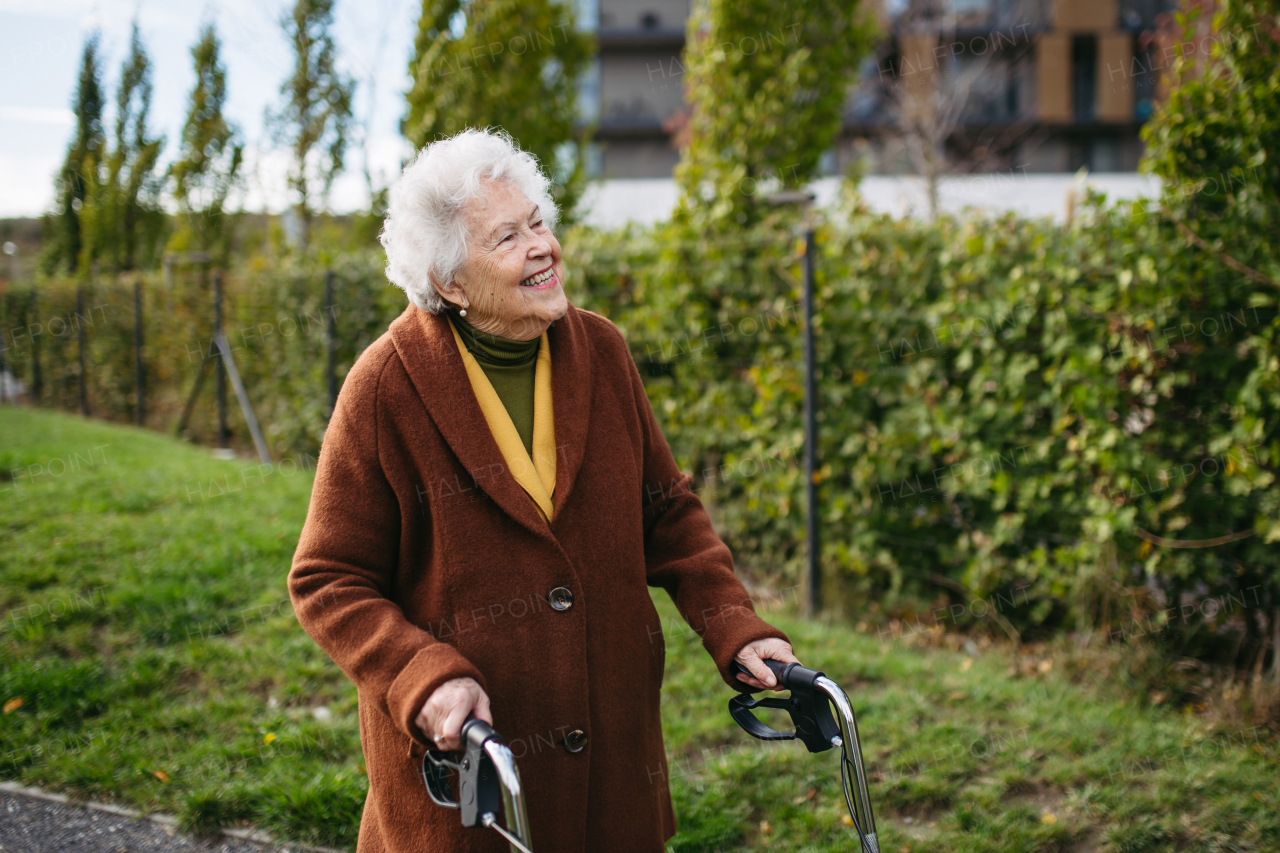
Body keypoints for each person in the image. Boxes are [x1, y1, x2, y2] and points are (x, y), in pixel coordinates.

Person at [289, 127, 800, 852]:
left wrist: (735, 624)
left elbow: (669, 513)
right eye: (509, 237)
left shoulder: (601, 350)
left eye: (540, 222)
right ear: (449, 282)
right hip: (473, 788)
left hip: (613, 778)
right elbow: (327, 577)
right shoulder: (384, 388)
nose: (544, 246)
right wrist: (422, 677)